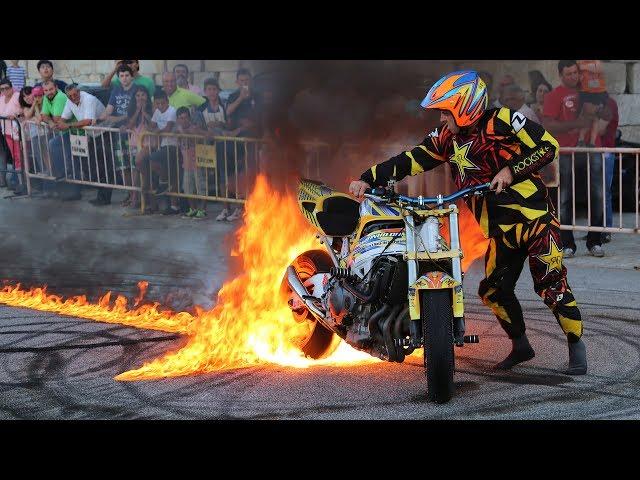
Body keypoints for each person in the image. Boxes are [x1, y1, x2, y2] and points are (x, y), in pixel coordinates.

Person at [349, 70, 587, 375]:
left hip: (536, 222)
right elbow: (410, 159)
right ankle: (521, 346)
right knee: (493, 291)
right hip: (501, 233)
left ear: (464, 107)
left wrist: (510, 172)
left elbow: (548, 146)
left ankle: (576, 347)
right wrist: (367, 179)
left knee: (551, 285)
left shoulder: (503, 119)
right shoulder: (446, 138)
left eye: (444, 113)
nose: (440, 120)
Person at [542, 60, 605, 258]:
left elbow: (608, 113)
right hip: (566, 152)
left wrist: (601, 109)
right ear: (560, 75)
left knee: (597, 195)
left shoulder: (590, 90)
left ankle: (595, 242)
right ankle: (567, 243)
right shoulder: (554, 96)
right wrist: (577, 123)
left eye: (575, 73)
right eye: (568, 74)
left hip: (591, 150)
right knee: (564, 198)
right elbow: (548, 125)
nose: (573, 77)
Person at [175, 107, 209, 219]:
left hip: (198, 163)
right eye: (181, 118)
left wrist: (183, 132)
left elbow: (194, 140)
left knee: (201, 187)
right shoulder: (178, 130)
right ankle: (193, 209)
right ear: (178, 119)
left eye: (185, 118)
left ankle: (202, 210)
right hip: (186, 164)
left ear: (189, 118)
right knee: (188, 188)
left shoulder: (194, 129)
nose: (183, 120)